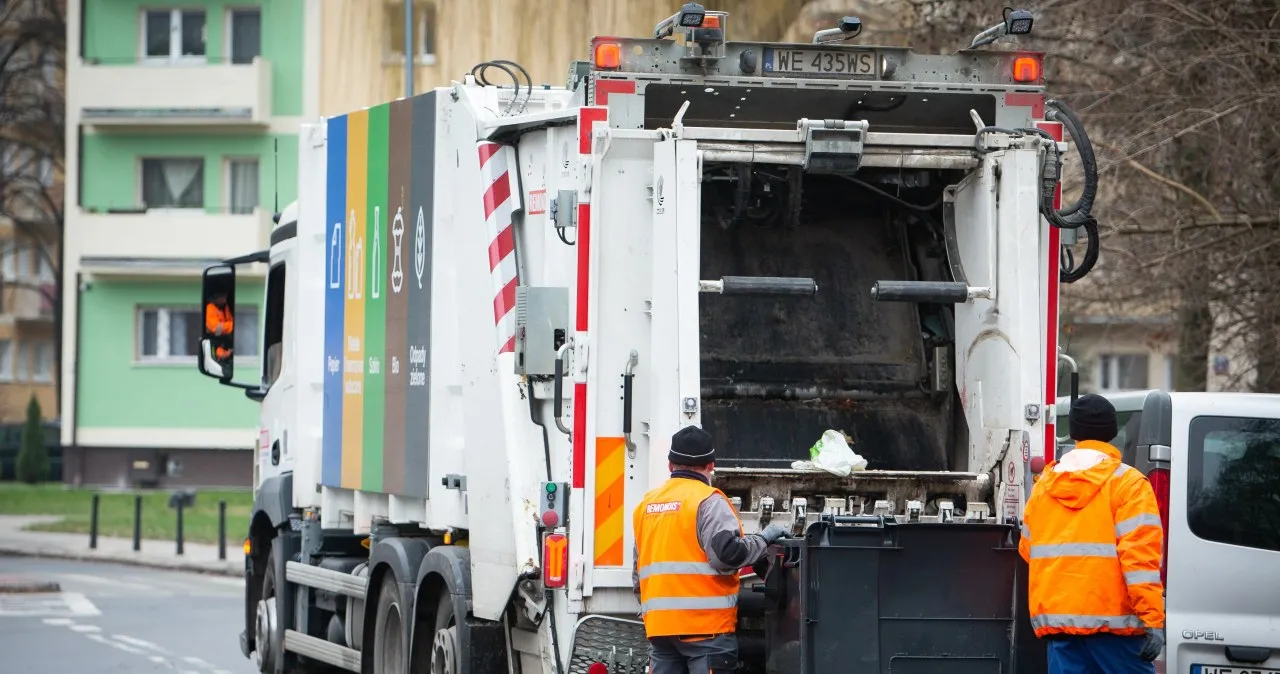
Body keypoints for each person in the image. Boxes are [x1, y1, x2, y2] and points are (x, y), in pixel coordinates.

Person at [1019, 394, 1166, 674]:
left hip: (1061, 629)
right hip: (1117, 631)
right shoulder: (1129, 484)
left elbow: (1029, 549)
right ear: (1112, 432)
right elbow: (1140, 561)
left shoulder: (1044, 486)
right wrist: (1153, 620)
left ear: (1073, 432)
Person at [632, 425, 788, 674]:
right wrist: (765, 538)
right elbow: (726, 555)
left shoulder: (646, 506)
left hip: (661, 633)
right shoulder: (708, 501)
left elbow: (638, 574)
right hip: (706, 631)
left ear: (671, 465)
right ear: (711, 465)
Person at [204, 291, 234, 362]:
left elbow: (230, 320)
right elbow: (216, 328)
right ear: (216, 297)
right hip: (216, 341)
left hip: (225, 341)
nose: (225, 299)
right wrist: (233, 325)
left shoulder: (225, 308)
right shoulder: (210, 308)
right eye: (223, 297)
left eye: (225, 296)